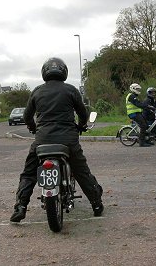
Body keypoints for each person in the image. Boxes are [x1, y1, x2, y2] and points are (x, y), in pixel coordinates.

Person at [10, 57, 103, 223]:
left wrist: (33, 129)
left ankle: (20, 207)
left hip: (42, 140)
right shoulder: (71, 90)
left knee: (29, 173)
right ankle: (96, 204)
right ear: (64, 71)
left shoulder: (37, 91)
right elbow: (83, 113)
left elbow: (27, 116)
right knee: (82, 172)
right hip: (68, 140)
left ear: (44, 72)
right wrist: (81, 126)